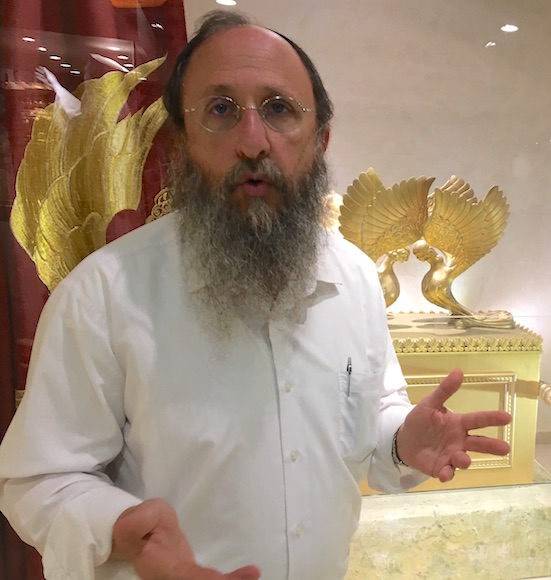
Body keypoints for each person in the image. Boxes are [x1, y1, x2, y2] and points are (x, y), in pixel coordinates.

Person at [0, 10, 512, 580]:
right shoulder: (103, 295)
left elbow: (370, 417)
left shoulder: (358, 278)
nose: (252, 141)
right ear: (182, 141)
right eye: (220, 110)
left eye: (278, 109)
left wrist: (402, 439)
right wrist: (119, 528)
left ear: (319, 140)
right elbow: (38, 480)